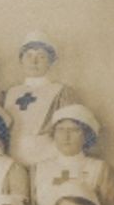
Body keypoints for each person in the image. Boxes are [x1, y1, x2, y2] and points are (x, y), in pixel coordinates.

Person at [30, 103, 114, 205]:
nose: (66, 136)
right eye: (60, 130)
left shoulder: (99, 168)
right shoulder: (39, 168)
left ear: (86, 135)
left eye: (74, 130)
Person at [4, 30, 75, 166]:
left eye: (41, 56)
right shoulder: (11, 92)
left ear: (51, 61)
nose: (34, 61)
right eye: (29, 56)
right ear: (21, 60)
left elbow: (68, 129)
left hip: (47, 157)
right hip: (13, 156)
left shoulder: (60, 91)